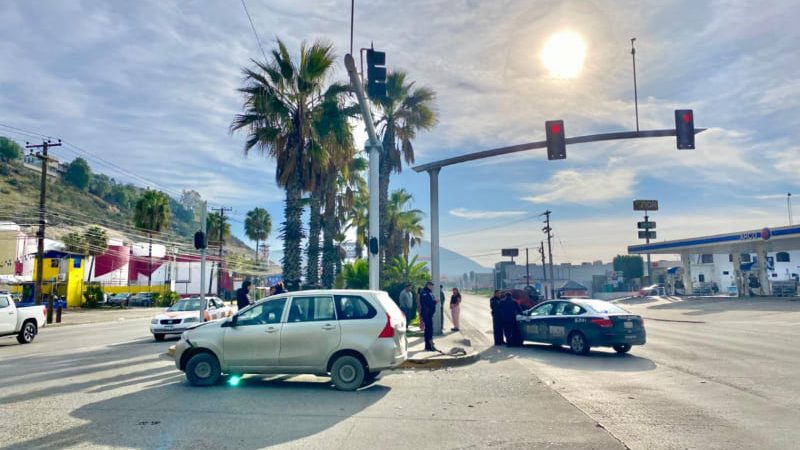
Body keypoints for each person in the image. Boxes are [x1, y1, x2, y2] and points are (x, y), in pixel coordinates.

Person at [420, 281, 438, 351]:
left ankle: (428, 346)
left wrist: (434, 302)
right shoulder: (424, 292)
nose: (432, 287)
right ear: (427, 285)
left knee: (428, 330)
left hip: (429, 314)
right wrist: (435, 302)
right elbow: (427, 302)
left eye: (432, 286)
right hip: (427, 314)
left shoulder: (429, 292)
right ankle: (429, 346)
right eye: (431, 286)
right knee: (429, 330)